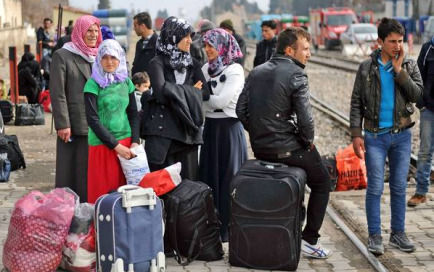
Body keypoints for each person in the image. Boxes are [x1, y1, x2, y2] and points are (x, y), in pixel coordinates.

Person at [236, 27, 332, 259]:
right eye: (305, 49)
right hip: (288, 149)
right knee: (322, 182)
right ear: (290, 51)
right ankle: (310, 239)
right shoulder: (296, 74)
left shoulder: (256, 71)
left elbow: (241, 110)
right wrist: (306, 141)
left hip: (261, 148)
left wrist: (259, 131)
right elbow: (306, 119)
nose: (309, 54)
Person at [350, 17, 422, 254]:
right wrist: (356, 134)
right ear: (380, 41)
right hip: (374, 137)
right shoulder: (366, 68)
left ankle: (398, 233)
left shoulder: (409, 65)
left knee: (400, 187)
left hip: (401, 136)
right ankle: (374, 236)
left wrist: (400, 71)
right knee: (375, 188)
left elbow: (418, 97)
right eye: (392, 41)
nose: (397, 46)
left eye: (401, 41)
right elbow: (356, 103)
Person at [141, 16, 209, 180]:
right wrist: (191, 91)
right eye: (184, 37)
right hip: (163, 136)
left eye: (190, 36)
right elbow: (160, 94)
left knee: (188, 185)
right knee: (163, 185)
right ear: (172, 38)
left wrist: (172, 90)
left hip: (186, 136)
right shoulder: (157, 62)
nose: (189, 41)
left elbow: (205, 93)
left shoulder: (193, 63)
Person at [199, 28, 248, 242]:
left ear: (222, 46)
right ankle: (213, 229)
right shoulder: (204, 68)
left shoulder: (235, 70)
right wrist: (207, 98)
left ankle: (230, 229)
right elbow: (202, 100)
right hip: (210, 128)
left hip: (229, 130)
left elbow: (222, 101)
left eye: (211, 45)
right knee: (210, 177)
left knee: (230, 179)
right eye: (206, 45)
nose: (207, 49)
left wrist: (204, 96)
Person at [50, 15, 102, 203]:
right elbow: (57, 92)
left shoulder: (99, 56)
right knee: (71, 173)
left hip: (98, 124)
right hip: (74, 125)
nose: (93, 34)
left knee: (90, 175)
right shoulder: (63, 55)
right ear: (79, 31)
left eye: (96, 31)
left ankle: (89, 212)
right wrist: (63, 123)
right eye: (89, 30)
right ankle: (68, 214)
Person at [84, 39, 140, 203]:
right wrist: (116, 146)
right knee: (104, 195)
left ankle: (124, 228)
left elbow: (133, 114)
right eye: (105, 57)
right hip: (103, 146)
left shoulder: (126, 82)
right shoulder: (93, 84)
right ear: (99, 59)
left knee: (126, 196)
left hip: (127, 144)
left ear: (120, 59)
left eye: (113, 57)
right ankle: (102, 228)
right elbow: (92, 120)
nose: (109, 62)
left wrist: (135, 141)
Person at [407, 35, 434, 207]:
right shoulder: (427, 49)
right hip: (429, 111)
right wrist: (421, 104)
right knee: (425, 152)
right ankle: (421, 192)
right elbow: (418, 79)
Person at [131, 12, 158, 77]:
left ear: (143, 26)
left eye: (135, 25)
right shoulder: (139, 44)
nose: (134, 29)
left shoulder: (158, 43)